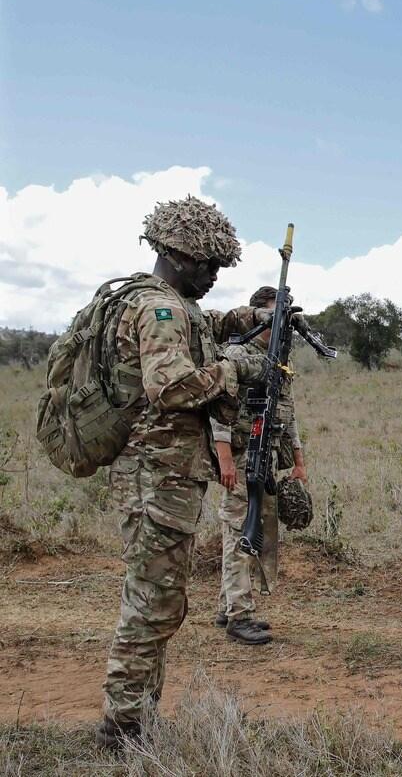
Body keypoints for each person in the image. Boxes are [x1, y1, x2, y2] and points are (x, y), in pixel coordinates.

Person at [96, 197, 262, 750]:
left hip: (165, 477)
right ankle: (122, 728)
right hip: (154, 478)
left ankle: (138, 716)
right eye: (206, 265)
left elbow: (207, 325)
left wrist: (253, 318)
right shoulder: (159, 310)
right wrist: (232, 369)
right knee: (151, 603)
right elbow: (168, 387)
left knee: (161, 600)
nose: (213, 277)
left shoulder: (172, 306)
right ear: (174, 254)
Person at [211, 286, 308, 646]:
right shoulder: (236, 355)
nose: (277, 326)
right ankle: (240, 616)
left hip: (266, 456)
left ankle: (228, 607)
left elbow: (290, 414)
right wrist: (223, 459)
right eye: (271, 318)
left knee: (249, 530)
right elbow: (219, 410)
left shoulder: (278, 360)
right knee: (241, 531)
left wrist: (298, 461)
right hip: (239, 457)